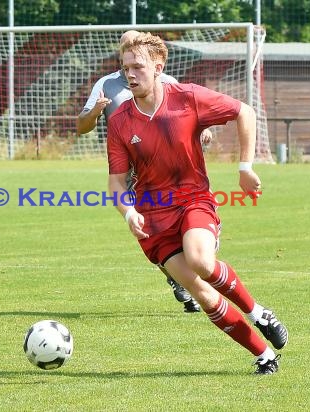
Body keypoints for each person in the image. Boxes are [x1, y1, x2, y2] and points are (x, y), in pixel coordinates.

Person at [106, 32, 288, 374]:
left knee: (201, 260)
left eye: (138, 67)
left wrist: (245, 168)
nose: (130, 74)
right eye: (125, 67)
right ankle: (264, 355)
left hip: (193, 200)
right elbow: (116, 182)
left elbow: (243, 112)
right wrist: (128, 210)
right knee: (203, 296)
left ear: (158, 68)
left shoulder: (187, 97)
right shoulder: (119, 121)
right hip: (151, 220)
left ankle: (257, 312)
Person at [78, 30, 210, 313]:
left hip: (165, 173)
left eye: (133, 45)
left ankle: (190, 275)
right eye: (124, 45)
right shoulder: (106, 84)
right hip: (128, 175)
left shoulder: (166, 81)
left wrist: (204, 130)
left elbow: (191, 111)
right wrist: (95, 112)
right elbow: (81, 126)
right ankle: (175, 275)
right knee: (148, 233)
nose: (129, 49)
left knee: (175, 229)